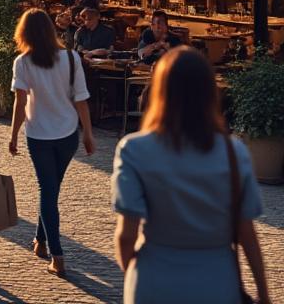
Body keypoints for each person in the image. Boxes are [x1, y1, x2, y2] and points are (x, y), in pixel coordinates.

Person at [112, 48, 272, 304]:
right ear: (209, 93)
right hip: (216, 282)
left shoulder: (134, 149)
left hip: (154, 279)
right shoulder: (234, 152)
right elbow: (246, 233)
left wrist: (135, 270)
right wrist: (263, 293)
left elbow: (126, 235)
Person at [7, 9, 96, 277]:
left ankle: (56, 254)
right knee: (50, 188)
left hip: (39, 135)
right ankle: (40, 241)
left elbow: (20, 103)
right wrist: (88, 134)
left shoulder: (23, 62)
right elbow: (81, 99)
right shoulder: (70, 58)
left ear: (24, 33)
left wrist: (13, 136)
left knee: (48, 190)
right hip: (67, 133)